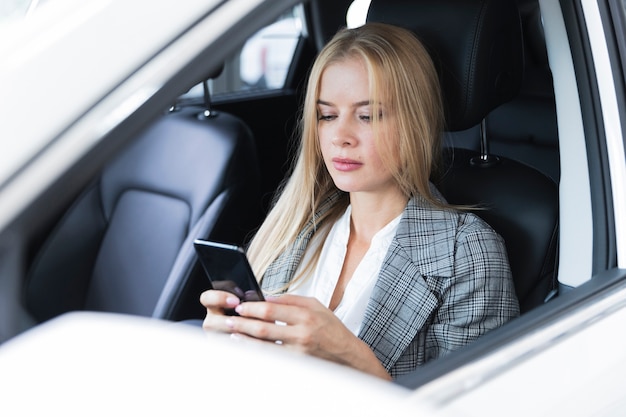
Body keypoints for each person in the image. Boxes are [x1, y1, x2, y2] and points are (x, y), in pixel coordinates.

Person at [200, 22, 519, 380]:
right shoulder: (294, 229)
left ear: (416, 121)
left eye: (367, 116)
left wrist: (350, 356)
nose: (341, 137)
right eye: (327, 115)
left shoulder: (467, 251)